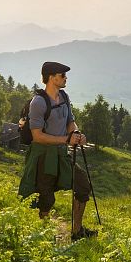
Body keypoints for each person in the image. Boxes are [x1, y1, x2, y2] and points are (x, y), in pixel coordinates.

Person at [19, 62, 98, 241]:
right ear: (51, 77)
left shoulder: (63, 96)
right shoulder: (38, 103)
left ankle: (77, 231)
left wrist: (76, 133)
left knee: (83, 185)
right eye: (62, 75)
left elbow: (70, 121)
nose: (65, 78)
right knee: (46, 199)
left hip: (61, 154)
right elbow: (37, 136)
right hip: (43, 155)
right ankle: (44, 236)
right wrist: (66, 139)